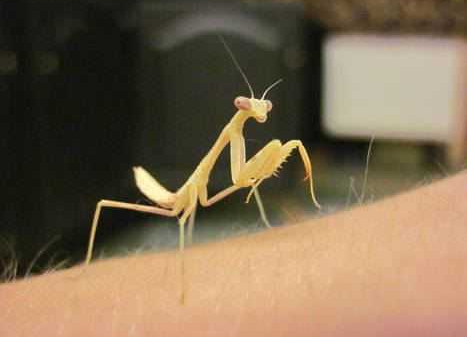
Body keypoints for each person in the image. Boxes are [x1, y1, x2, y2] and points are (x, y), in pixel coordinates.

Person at [1, 170, 466, 336]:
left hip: (190, 195)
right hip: (165, 196)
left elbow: (246, 179)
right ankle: (88, 274)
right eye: (249, 107)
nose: (258, 110)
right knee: (120, 210)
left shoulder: (243, 143)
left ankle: (264, 223)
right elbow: (193, 209)